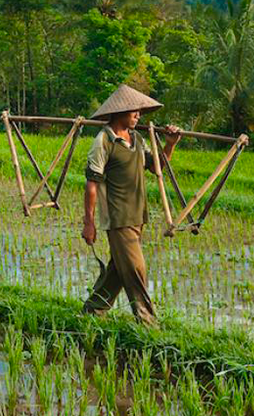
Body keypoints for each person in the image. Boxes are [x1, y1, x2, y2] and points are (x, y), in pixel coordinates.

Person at [81, 84, 181, 325]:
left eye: (140, 112)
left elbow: (157, 167)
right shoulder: (103, 141)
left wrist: (170, 144)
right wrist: (89, 223)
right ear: (120, 112)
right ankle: (148, 324)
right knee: (136, 270)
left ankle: (92, 312)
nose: (139, 115)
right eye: (134, 111)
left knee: (119, 269)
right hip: (118, 218)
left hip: (137, 216)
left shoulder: (136, 138)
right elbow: (91, 185)